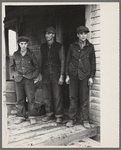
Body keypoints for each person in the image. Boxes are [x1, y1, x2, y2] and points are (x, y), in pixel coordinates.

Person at [65, 26, 96, 128]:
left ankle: (85, 120)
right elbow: (68, 61)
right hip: (73, 75)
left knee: (84, 99)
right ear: (77, 35)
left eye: (85, 33)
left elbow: (93, 63)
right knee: (73, 97)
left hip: (84, 76)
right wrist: (67, 75)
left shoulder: (90, 47)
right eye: (81, 33)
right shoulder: (72, 46)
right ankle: (71, 119)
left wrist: (91, 76)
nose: (83, 36)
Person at [11, 36, 39, 124]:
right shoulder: (15, 54)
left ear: (27, 44)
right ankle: (21, 116)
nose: (23, 45)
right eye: (22, 44)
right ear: (19, 44)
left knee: (31, 98)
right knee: (20, 99)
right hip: (18, 80)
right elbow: (12, 67)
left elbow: (37, 67)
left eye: (25, 44)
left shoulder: (31, 54)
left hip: (28, 79)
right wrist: (14, 75)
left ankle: (32, 116)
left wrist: (33, 76)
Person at [39, 27, 65, 123]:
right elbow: (41, 60)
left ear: (53, 35)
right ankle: (49, 114)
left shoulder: (59, 46)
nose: (46, 35)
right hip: (45, 73)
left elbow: (62, 61)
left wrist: (62, 75)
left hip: (56, 73)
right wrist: (40, 74)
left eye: (49, 33)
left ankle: (59, 115)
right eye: (46, 33)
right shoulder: (43, 47)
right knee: (46, 95)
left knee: (57, 95)